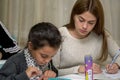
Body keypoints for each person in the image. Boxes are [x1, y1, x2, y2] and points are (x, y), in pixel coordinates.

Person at [53, 0, 120, 76]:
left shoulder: (101, 34)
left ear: (97, 22)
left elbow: (118, 55)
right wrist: (78, 69)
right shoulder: (59, 34)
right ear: (73, 16)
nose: (85, 26)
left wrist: (117, 65)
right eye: (81, 20)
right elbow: (52, 71)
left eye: (91, 23)